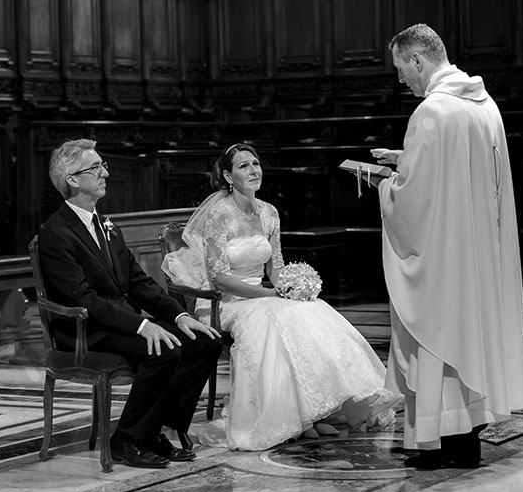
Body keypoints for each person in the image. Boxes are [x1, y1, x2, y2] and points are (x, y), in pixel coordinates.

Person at [162, 143, 400, 451]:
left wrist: (292, 288)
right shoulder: (218, 216)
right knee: (272, 321)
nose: (253, 171)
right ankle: (285, 418)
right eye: (243, 166)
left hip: (263, 295)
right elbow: (220, 277)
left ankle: (317, 411)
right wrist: (270, 293)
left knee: (313, 311)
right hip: (225, 301)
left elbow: (275, 267)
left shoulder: (269, 212)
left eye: (256, 164)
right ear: (227, 176)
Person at [369, 23, 523, 469]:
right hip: (478, 253)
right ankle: (466, 441)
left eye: (401, 68)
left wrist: (386, 183)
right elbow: (467, 173)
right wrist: (404, 159)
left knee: (437, 337)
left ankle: (436, 444)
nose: (401, 78)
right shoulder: (485, 105)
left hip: (444, 257)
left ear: (418, 60)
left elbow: (416, 199)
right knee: (470, 337)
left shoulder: (432, 112)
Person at [36, 139, 224, 469]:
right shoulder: (56, 233)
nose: (105, 172)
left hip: (116, 323)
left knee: (205, 342)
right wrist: (141, 324)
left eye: (103, 165)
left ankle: (149, 431)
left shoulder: (107, 226)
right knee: (164, 350)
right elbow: (82, 298)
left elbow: (138, 282)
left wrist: (178, 316)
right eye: (96, 167)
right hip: (85, 331)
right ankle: (125, 438)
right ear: (73, 180)